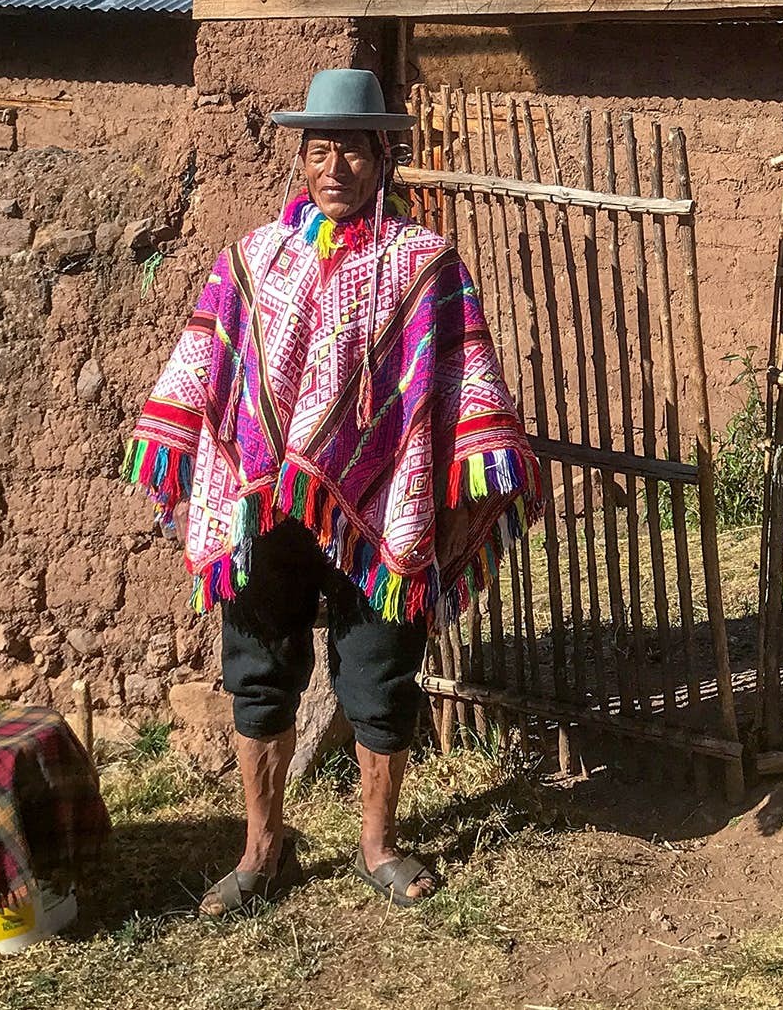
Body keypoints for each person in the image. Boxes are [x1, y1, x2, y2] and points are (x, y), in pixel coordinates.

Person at [124, 69, 540, 911]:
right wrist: (180, 444)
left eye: (352, 148)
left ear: (382, 156)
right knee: (258, 665)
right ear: (302, 159)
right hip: (265, 502)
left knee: (381, 668)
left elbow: (459, 378)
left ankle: (379, 843)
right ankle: (260, 849)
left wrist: (465, 477)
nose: (335, 166)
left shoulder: (423, 263)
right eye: (320, 149)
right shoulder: (253, 257)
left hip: (382, 507)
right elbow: (210, 359)